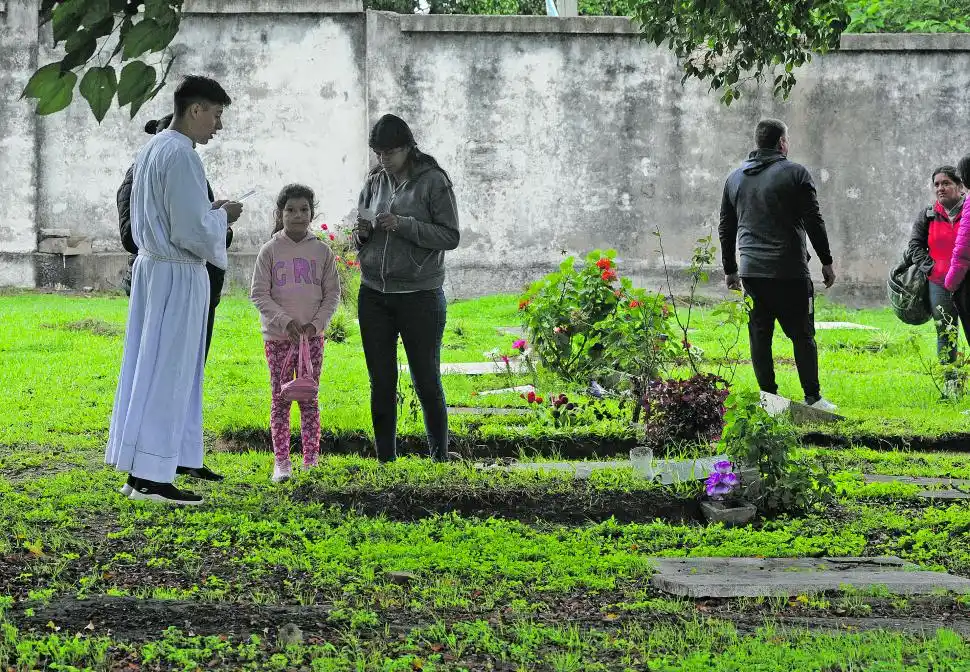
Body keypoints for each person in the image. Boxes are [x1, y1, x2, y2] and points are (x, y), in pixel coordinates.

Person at [106, 75, 243, 505]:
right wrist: (224, 216)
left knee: (154, 367)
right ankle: (150, 477)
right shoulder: (182, 156)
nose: (218, 127)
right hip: (176, 273)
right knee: (170, 370)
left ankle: (147, 466)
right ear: (196, 110)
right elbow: (189, 229)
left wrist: (208, 214)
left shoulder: (152, 149)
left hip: (155, 270)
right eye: (216, 115)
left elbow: (171, 216)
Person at [353, 114, 460, 462]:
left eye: (390, 152)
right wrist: (363, 235)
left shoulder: (433, 182)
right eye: (378, 152)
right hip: (373, 293)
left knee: (426, 380)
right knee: (380, 382)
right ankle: (386, 460)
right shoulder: (374, 179)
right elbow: (362, 229)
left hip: (420, 295)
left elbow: (450, 236)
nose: (384, 159)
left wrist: (403, 224)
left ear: (408, 147)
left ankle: (439, 458)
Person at [718, 118, 838, 412]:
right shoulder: (795, 173)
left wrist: (730, 268)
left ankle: (768, 399)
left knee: (760, 334)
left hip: (751, 271)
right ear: (782, 142)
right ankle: (813, 397)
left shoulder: (734, 178)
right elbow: (813, 220)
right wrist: (826, 261)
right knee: (802, 334)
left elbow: (726, 226)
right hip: (789, 271)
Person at [117, 114, 234, 363]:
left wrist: (218, 220)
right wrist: (219, 218)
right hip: (165, 282)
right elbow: (131, 234)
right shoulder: (146, 171)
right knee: (164, 362)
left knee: (189, 364)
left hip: (197, 281)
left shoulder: (186, 166)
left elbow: (193, 221)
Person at [251, 184, 341, 482]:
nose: (298, 215)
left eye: (304, 209)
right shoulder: (270, 251)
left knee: (309, 398)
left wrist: (316, 324)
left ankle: (310, 460)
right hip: (279, 340)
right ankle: (281, 463)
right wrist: (284, 322)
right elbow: (259, 294)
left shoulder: (322, 252)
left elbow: (332, 295)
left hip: (311, 340)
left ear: (312, 213)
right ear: (280, 213)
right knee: (280, 399)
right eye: (291, 210)